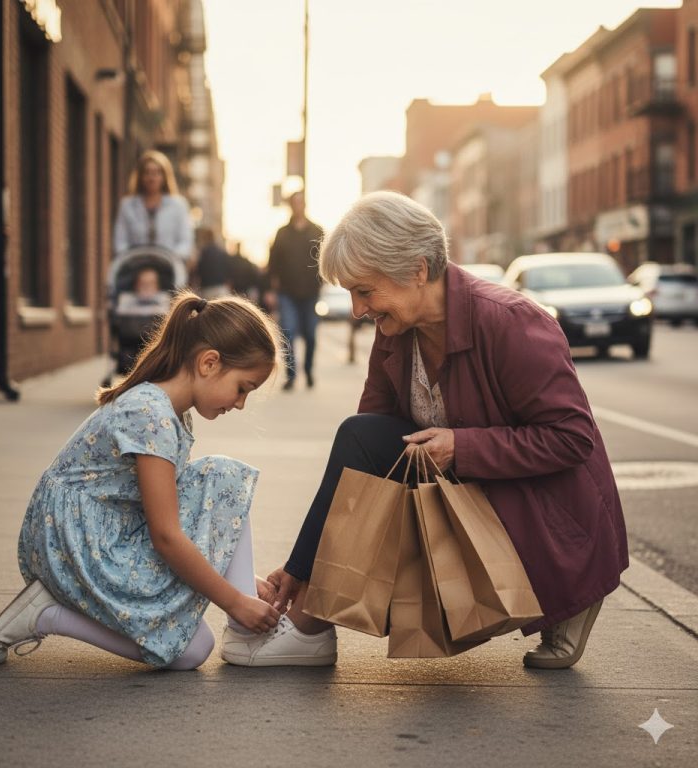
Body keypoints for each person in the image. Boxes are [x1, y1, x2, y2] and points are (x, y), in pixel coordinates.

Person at [222, 191, 628, 670]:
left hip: (545, 512)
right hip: (474, 491)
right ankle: (310, 623)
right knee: (360, 435)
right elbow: (361, 456)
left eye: (365, 291)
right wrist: (300, 567)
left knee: (368, 441)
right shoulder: (395, 329)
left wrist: (462, 446)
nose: (357, 310)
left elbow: (572, 437)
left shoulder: (511, 322)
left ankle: (570, 595)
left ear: (417, 270)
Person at [0, 292, 283, 670]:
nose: (240, 403)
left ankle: (47, 614)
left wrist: (240, 579)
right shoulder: (151, 414)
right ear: (209, 363)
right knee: (223, 478)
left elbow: (178, 515)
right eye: (243, 388)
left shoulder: (169, 411)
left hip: (104, 535)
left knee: (192, 650)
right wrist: (235, 601)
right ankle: (45, 613)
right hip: (80, 546)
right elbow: (167, 536)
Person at [267, 190, 323, 391]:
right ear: (290, 206)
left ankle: (308, 370)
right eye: (294, 203)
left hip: (310, 292)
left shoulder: (317, 231)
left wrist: (322, 281)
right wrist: (271, 290)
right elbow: (273, 262)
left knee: (310, 335)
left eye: (301, 202)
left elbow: (324, 259)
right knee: (288, 333)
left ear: (305, 205)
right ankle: (291, 376)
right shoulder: (282, 233)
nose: (298, 206)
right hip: (287, 292)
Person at [113, 149, 194, 274]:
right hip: (134, 270)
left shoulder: (179, 206)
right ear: (140, 176)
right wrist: (131, 260)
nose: (152, 178)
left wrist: (170, 259)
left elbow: (185, 243)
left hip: (168, 271)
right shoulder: (127, 205)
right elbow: (120, 242)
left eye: (157, 173)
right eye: (147, 173)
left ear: (164, 177)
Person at [192, 227, 232, 300]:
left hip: (208, 288)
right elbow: (229, 270)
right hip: (221, 287)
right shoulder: (222, 252)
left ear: (206, 238)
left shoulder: (203, 252)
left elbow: (198, 270)